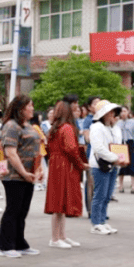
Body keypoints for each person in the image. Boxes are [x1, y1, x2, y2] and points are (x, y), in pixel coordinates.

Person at [0, 95, 43, 258]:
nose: (32, 108)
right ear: (21, 108)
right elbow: (10, 152)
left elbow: (37, 150)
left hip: (29, 174)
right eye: (29, 106)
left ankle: (19, 242)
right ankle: (5, 245)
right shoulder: (11, 126)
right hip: (14, 175)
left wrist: (38, 169)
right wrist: (23, 172)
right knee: (13, 209)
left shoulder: (29, 126)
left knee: (23, 210)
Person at [44, 101, 86, 248]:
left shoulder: (55, 128)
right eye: (74, 110)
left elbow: (49, 149)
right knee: (60, 203)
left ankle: (61, 236)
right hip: (65, 165)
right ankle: (56, 238)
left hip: (56, 164)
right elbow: (71, 149)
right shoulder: (67, 128)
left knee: (59, 202)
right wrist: (81, 164)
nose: (77, 113)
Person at [88, 100, 128, 234]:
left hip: (112, 165)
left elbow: (118, 144)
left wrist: (119, 159)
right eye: (110, 112)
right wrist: (116, 158)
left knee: (107, 195)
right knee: (99, 195)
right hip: (100, 165)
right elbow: (99, 148)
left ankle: (102, 221)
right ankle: (96, 223)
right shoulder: (96, 127)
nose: (113, 115)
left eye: (113, 112)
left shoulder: (113, 128)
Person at [116, 108, 134, 194]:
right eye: (121, 111)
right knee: (121, 165)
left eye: (125, 111)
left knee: (132, 164)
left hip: (130, 144)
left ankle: (133, 185)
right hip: (120, 144)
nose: (123, 113)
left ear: (128, 112)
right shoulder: (117, 123)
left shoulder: (133, 122)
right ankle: (121, 185)